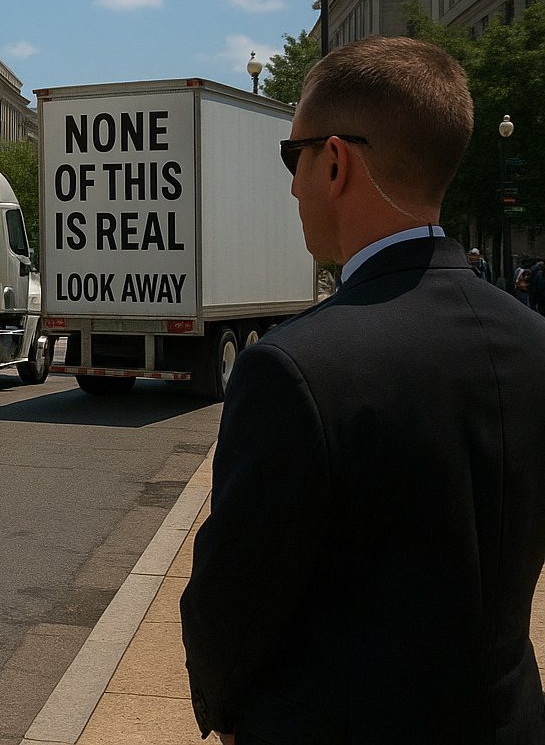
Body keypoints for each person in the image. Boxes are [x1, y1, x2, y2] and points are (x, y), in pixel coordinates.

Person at [180, 36, 545, 744]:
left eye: (295, 157)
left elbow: (233, 605)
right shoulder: (535, 343)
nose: (291, 184)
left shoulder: (292, 369)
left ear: (337, 160)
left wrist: (227, 717)